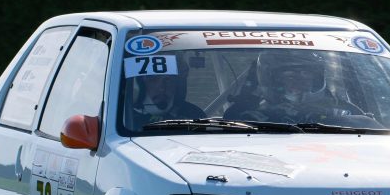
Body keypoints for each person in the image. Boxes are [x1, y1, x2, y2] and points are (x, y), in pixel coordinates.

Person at [224, 51, 366, 123]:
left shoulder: (340, 111)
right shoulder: (247, 116)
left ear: (316, 77)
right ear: (273, 79)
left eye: (305, 73)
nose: (299, 80)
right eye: (290, 74)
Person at [132, 71, 205, 128]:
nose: (162, 88)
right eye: (153, 79)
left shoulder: (194, 115)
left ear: (177, 86)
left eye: (168, 79)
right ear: (139, 86)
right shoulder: (125, 119)